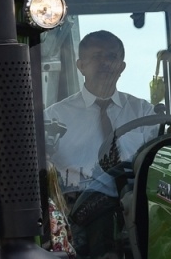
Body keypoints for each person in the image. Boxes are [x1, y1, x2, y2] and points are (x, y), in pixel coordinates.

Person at [44, 30, 158, 195]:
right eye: (97, 56)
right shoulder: (53, 117)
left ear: (121, 67)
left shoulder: (144, 113)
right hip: (78, 207)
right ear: (81, 66)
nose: (105, 63)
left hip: (135, 203)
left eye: (112, 57)